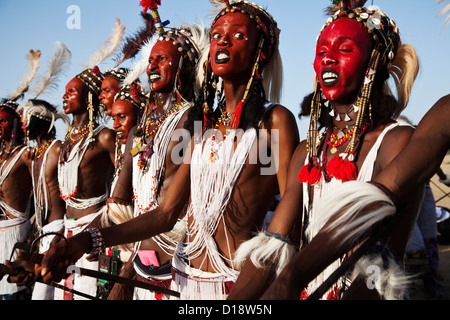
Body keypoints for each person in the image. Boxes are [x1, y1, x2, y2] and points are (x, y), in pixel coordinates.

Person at [36, 0, 299, 300]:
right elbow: (165, 214)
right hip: (184, 282)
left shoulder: (274, 121)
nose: (223, 40)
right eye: (217, 35)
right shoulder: (203, 127)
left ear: (260, 52)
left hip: (236, 286)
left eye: (238, 35)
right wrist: (84, 242)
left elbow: (287, 227)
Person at [228, 1, 422, 300]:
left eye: (344, 49)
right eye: (321, 52)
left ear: (376, 62)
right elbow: (276, 242)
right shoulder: (307, 151)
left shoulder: (397, 142)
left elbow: (381, 265)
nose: (328, 59)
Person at [102, 13, 210, 299]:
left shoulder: (194, 120)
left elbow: (177, 210)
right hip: (139, 262)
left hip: (180, 266)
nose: (152, 65)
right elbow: (119, 202)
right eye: (151, 59)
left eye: (162, 59)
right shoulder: (139, 131)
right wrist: (73, 243)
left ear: (184, 66)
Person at [55, 66, 117, 300]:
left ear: (89, 98)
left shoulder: (103, 137)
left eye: (71, 91)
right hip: (68, 228)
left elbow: (123, 182)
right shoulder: (66, 141)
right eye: (65, 91)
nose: (64, 96)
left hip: (94, 228)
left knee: (91, 293)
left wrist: (109, 229)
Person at [16, 42, 71, 300]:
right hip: (42, 230)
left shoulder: (57, 149)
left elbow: (71, 190)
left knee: (44, 295)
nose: (23, 127)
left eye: (26, 120)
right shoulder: (33, 155)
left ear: (37, 121)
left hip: (59, 228)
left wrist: (63, 234)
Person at [0, 49, 41, 300]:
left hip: (17, 235)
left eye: (3, 121)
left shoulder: (27, 154)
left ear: (16, 124)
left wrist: (32, 241)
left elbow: (44, 197)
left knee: (15, 293)